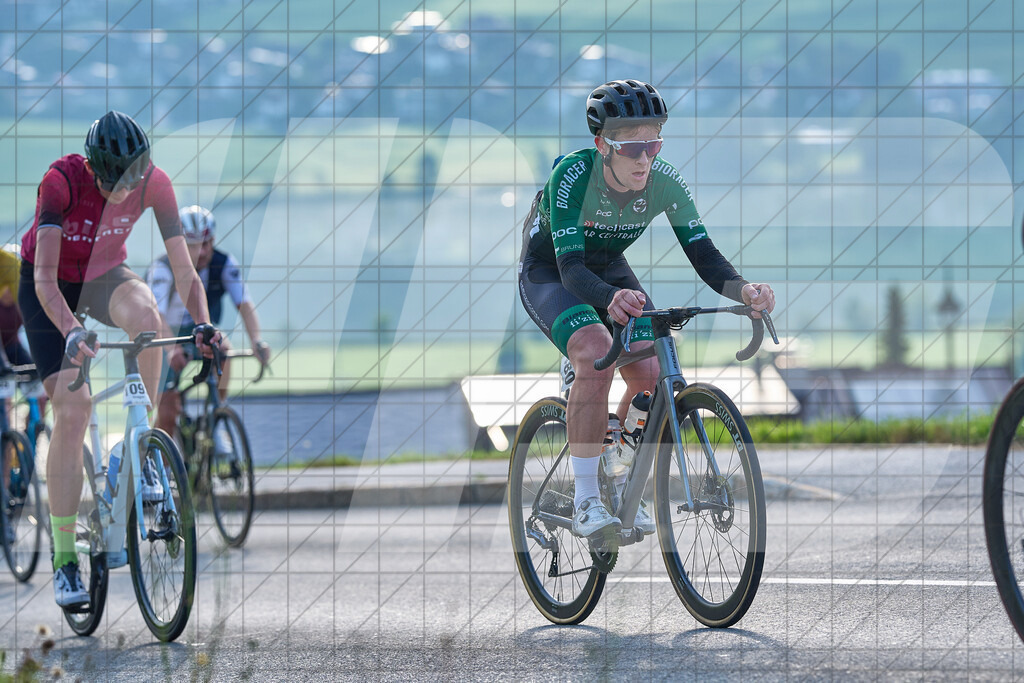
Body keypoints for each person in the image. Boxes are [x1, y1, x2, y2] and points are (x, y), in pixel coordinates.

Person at [517, 80, 776, 541]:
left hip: (608, 266)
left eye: (653, 143)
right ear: (602, 145)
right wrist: (606, 301)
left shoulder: (664, 182)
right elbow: (572, 268)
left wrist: (745, 290)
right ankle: (585, 501)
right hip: (553, 271)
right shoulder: (574, 177)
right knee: (595, 349)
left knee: (652, 371)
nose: (645, 158)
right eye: (632, 146)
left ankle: (618, 475)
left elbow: (704, 255)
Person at [17, 110, 221, 610]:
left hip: (106, 274)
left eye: (136, 178)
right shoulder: (60, 182)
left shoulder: (155, 183)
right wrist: (71, 332)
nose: (128, 192)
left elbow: (184, 271)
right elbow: (44, 281)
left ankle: (142, 444)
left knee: (149, 318)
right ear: (95, 169)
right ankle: (65, 559)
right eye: (117, 182)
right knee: (74, 408)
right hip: (49, 287)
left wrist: (205, 323)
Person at [146, 205, 270, 439]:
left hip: (200, 332)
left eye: (206, 243)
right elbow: (155, 317)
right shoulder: (161, 268)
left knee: (223, 348)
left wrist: (257, 341)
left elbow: (245, 304)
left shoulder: (223, 263)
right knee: (167, 413)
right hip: (165, 335)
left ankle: (217, 416)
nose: (201, 252)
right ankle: (167, 459)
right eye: (192, 245)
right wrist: (171, 348)